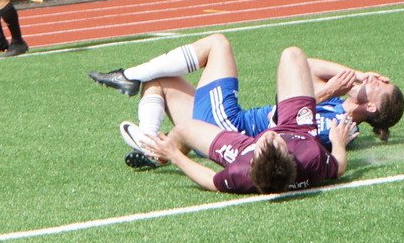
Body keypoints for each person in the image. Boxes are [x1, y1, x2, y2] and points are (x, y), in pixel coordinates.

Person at [87, 34, 403, 167]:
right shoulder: (335, 102)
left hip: (231, 129)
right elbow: (302, 67)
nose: (376, 79)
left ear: (372, 108)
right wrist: (356, 74)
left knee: (218, 44)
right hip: (221, 127)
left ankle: (128, 76)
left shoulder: (341, 124)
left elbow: (287, 123)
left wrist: (327, 92)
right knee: (160, 80)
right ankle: (153, 145)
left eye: (378, 85)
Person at [131, 43, 358, 193]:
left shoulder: (240, 172)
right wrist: (338, 142)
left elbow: (210, 180)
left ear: (253, 162)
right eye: (276, 143)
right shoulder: (310, 157)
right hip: (296, 129)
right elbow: (338, 167)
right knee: (292, 55)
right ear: (290, 155)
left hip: (241, 143)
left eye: (265, 143)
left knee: (184, 129)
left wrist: (174, 155)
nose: (270, 135)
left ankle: (155, 152)